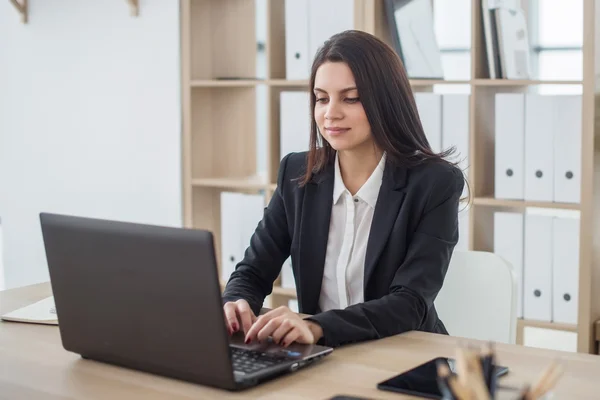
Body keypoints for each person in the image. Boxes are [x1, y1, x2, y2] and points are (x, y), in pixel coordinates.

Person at [222, 30, 467, 349]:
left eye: (350, 98)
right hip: (321, 354)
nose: (330, 113)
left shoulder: (435, 182)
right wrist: (237, 301)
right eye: (321, 98)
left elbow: (410, 303)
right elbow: (253, 270)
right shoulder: (297, 174)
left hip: (404, 352)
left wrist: (316, 326)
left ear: (385, 101)